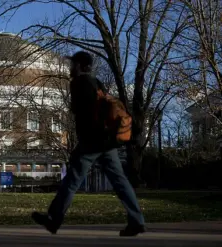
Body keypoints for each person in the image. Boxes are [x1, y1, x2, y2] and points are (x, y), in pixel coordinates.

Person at [31, 51, 146, 237]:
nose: (70, 68)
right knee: (120, 181)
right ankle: (137, 220)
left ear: (80, 66)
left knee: (72, 180)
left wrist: (87, 138)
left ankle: (54, 219)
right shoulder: (96, 82)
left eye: (73, 64)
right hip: (107, 141)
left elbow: (84, 113)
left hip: (92, 142)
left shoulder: (79, 83)